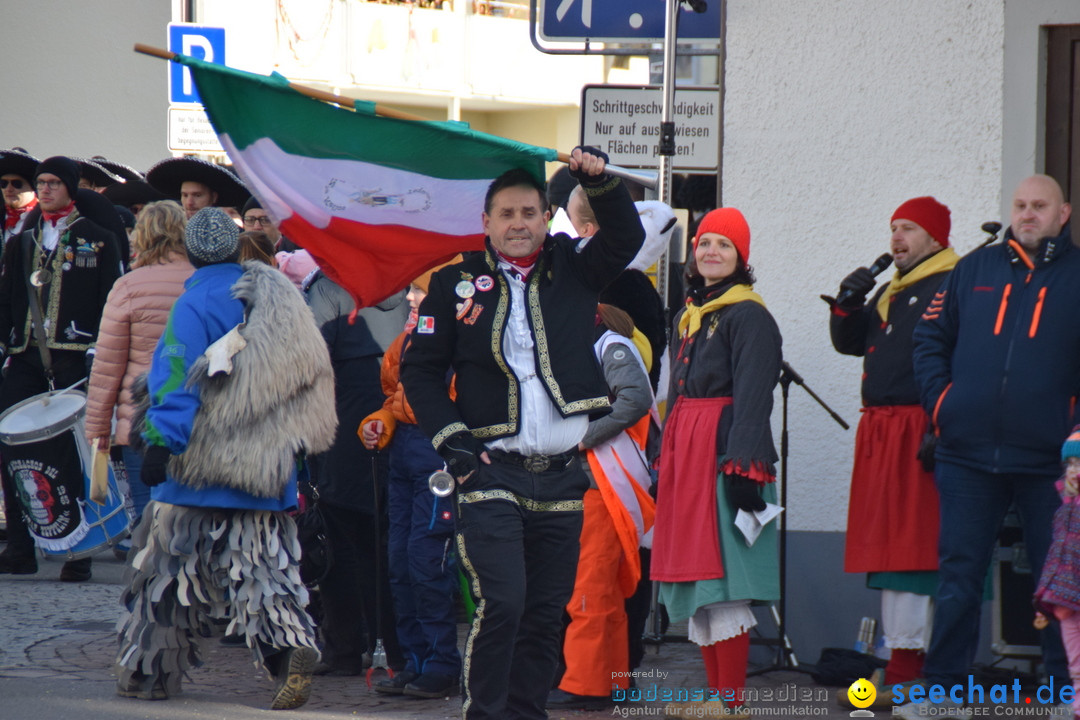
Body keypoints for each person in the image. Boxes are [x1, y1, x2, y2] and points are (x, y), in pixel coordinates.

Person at [400, 147, 644, 720]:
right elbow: (421, 370)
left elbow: (625, 236)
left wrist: (600, 182)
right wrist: (455, 443)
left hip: (562, 475)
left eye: (529, 213)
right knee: (504, 602)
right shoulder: (454, 281)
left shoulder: (575, 265)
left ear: (545, 217)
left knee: (543, 612)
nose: (518, 224)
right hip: (490, 471)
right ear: (486, 222)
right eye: (506, 214)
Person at [114, 207, 336, 709]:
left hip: (199, 470)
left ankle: (148, 675)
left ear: (191, 253)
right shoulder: (276, 300)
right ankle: (289, 653)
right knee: (263, 576)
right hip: (262, 471)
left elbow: (173, 380)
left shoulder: (193, 305)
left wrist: (160, 441)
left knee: (167, 576)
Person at [905, 175, 1077, 717]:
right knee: (958, 576)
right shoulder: (972, 270)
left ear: (1062, 214)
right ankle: (941, 695)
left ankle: (1061, 695)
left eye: (1039, 206)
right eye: (1021, 205)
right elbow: (929, 339)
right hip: (967, 454)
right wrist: (943, 405)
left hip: (1050, 458)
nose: (1028, 214)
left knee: (1059, 586)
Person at [650, 207, 782, 720]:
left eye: (724, 245)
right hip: (690, 451)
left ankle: (732, 703)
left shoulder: (749, 315)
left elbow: (753, 398)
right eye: (705, 242)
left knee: (725, 584)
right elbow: (677, 395)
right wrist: (665, 453)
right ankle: (715, 697)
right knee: (700, 583)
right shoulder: (694, 313)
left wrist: (744, 469)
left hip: (724, 455)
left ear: (741, 257)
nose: (710, 252)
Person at [827, 197, 958, 691]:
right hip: (882, 432)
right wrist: (846, 306)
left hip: (919, 430)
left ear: (936, 237)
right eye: (893, 229)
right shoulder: (893, 288)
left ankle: (913, 672)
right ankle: (903, 665)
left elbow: (961, 361)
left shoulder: (952, 281)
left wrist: (940, 425)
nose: (896, 238)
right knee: (889, 548)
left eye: (908, 228)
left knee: (915, 549)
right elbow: (851, 342)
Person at [0, 156, 123, 583]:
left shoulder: (100, 239)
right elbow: (8, 297)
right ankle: (20, 548)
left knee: (77, 453)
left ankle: (80, 553)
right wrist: (7, 345)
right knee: (12, 444)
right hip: (27, 355)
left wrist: (100, 354)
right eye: (42, 182)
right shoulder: (23, 240)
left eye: (54, 182)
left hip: (75, 355)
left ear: (71, 188)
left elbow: (112, 302)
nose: (47, 188)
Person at [360, 257, 464, 699]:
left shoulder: (462, 345)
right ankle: (413, 661)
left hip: (437, 455)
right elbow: (393, 395)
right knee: (399, 562)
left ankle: (441, 665)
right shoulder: (404, 342)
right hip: (404, 453)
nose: (410, 298)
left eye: (419, 291)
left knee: (427, 563)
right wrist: (380, 420)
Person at [548, 302, 657, 711]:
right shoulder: (598, 344)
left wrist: (582, 436)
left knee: (589, 589)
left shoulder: (608, 346)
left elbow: (636, 398)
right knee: (606, 591)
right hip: (596, 484)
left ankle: (585, 684)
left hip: (600, 486)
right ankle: (615, 681)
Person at [305, 268, 408, 677]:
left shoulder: (329, 287)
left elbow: (308, 360)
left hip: (345, 418)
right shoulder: (398, 283)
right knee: (379, 541)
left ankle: (349, 648)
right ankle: (388, 648)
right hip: (386, 416)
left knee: (343, 539)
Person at [84, 200, 194, 525]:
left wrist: (99, 430)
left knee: (149, 520)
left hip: (141, 418)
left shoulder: (129, 286)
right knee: (192, 520)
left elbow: (107, 367)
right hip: (199, 415)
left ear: (142, 236)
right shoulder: (202, 281)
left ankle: (148, 573)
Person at [1034, 428, 1080, 720]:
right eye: (1072, 464)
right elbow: (1056, 554)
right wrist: (1046, 598)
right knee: (1075, 660)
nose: (1075, 471)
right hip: (1067, 599)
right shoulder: (1065, 507)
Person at [241, 197, 315, 288]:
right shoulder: (235, 254)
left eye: (265, 220)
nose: (257, 226)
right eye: (250, 220)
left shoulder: (298, 254)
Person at [145, 156, 250, 219]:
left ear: (213, 197)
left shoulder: (231, 236)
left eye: (197, 195)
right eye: (185, 195)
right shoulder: (172, 236)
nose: (189, 203)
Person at [0, 149, 39, 245]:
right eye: (3, 183)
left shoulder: (42, 219)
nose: (8, 189)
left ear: (32, 188)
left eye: (16, 183)